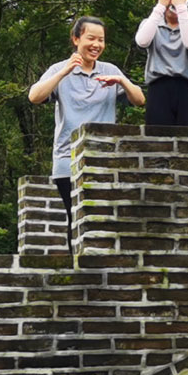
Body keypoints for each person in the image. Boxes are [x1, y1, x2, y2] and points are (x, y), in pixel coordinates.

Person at [27, 15, 145, 228]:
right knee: (77, 220)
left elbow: (140, 100)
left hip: (104, 158)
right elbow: (34, 97)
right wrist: (65, 71)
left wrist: (121, 81)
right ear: (76, 39)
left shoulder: (110, 71)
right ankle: (75, 262)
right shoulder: (59, 69)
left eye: (101, 40)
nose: (97, 45)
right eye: (91, 38)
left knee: (101, 219)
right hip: (67, 159)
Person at [134, 0, 188, 127]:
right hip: (159, 88)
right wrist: (160, 6)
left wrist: (181, 8)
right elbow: (142, 41)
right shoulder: (151, 24)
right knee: (158, 142)